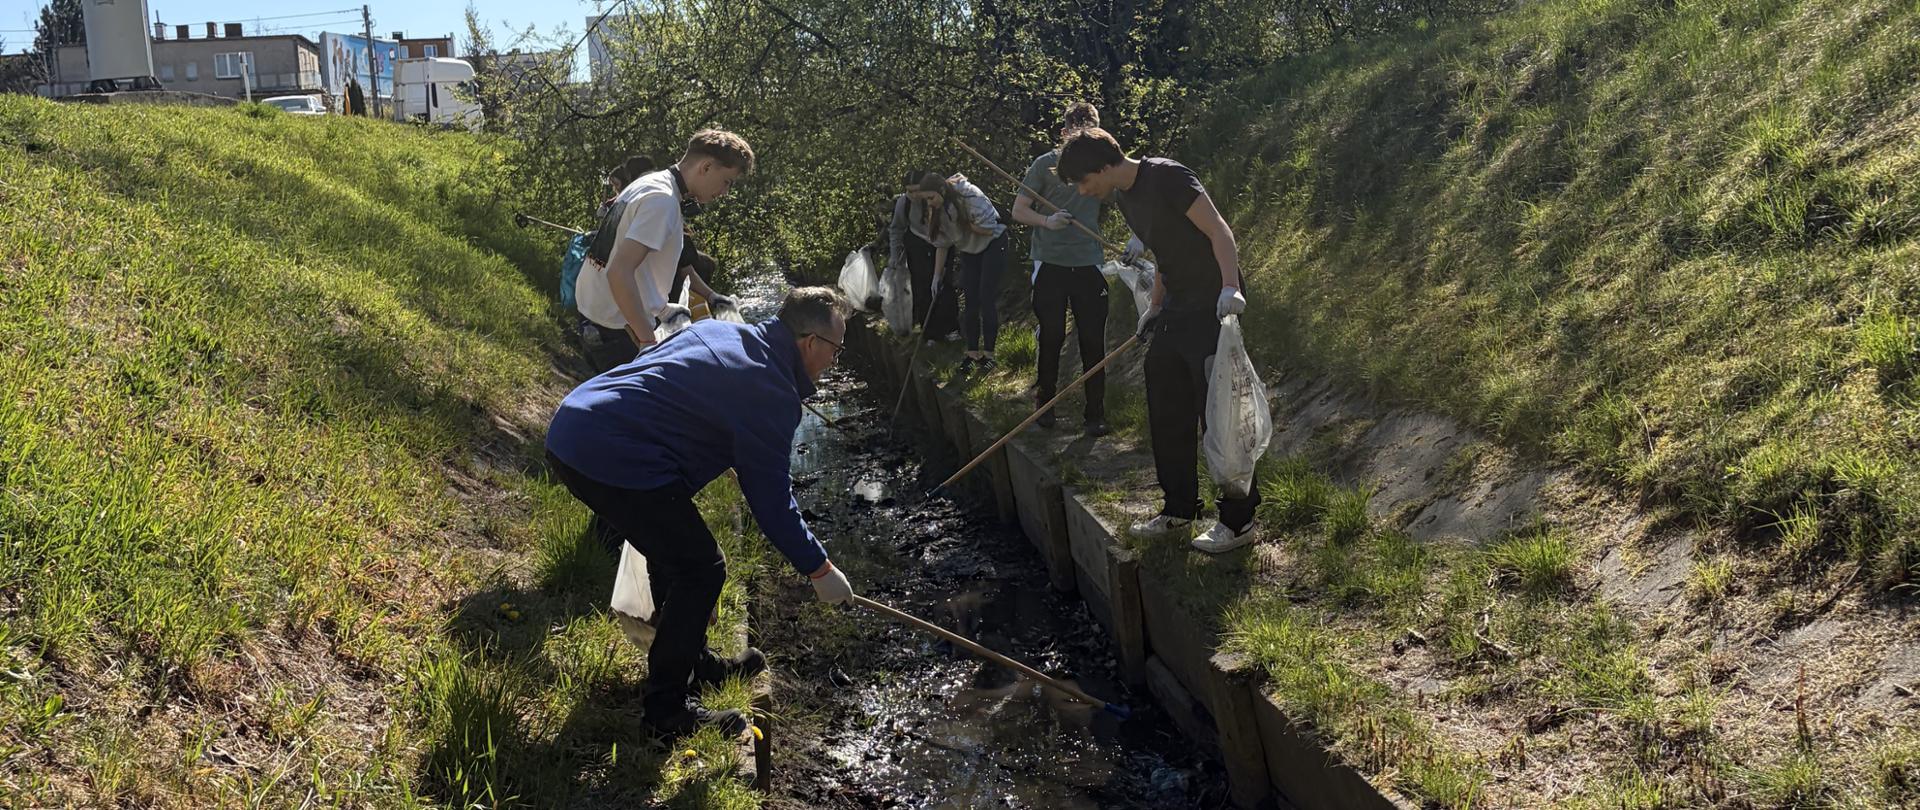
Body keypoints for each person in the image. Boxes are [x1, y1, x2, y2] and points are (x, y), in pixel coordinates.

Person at [545, 287, 857, 738]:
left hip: (576, 421)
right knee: (701, 570)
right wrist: (819, 568)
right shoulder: (770, 390)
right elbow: (771, 502)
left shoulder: (723, 332)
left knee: (674, 552)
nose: (835, 361)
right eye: (836, 349)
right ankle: (666, 711)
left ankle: (694, 660)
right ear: (811, 343)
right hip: (607, 453)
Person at [1056, 127, 1261, 554]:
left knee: (1220, 413)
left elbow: (1219, 231)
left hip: (1213, 307)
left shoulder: (1168, 177)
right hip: (1176, 307)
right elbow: (1163, 257)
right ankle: (1179, 508)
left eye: (1083, 181)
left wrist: (1230, 286)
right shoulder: (1125, 198)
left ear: (1102, 167)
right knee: (1165, 401)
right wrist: (1153, 306)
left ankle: (1238, 521)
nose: (1082, 191)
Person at [575, 130, 751, 370]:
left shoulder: (650, 183)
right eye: (726, 181)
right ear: (707, 167)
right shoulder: (663, 201)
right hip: (617, 332)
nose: (724, 192)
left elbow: (630, 262)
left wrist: (665, 307)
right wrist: (648, 343)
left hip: (594, 318)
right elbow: (619, 272)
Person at [1012, 102, 1110, 436]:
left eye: (1089, 133)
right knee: (1052, 334)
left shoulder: (1103, 166)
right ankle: (1045, 403)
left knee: (1093, 340)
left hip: (1088, 262)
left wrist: (1137, 239)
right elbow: (1019, 210)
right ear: (1064, 132)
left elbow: (1127, 198)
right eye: (1076, 133)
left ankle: (1095, 413)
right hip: (1050, 263)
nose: (1082, 140)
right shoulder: (1045, 165)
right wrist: (1047, 221)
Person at [904, 171, 1007, 370]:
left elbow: (988, 228)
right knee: (970, 300)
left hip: (993, 244)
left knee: (986, 297)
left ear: (942, 191)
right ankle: (972, 353)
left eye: (931, 198)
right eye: (926, 200)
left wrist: (963, 223)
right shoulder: (937, 210)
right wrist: (936, 277)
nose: (929, 203)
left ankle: (989, 355)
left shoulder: (970, 195)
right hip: (970, 250)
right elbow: (942, 244)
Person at [887, 173, 961, 342]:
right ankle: (930, 333)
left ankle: (951, 328)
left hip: (942, 241)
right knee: (922, 286)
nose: (914, 195)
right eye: (909, 191)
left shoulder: (936, 199)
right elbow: (896, 229)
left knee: (944, 283)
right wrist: (895, 256)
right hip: (918, 243)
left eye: (917, 191)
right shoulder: (904, 203)